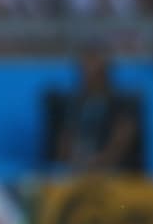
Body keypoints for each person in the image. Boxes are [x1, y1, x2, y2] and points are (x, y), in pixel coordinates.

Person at [44, 46, 143, 174]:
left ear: (106, 72)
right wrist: (74, 161)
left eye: (95, 69)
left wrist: (98, 163)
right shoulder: (72, 105)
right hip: (75, 168)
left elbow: (120, 143)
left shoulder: (124, 104)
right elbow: (63, 143)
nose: (89, 74)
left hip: (112, 171)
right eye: (84, 68)